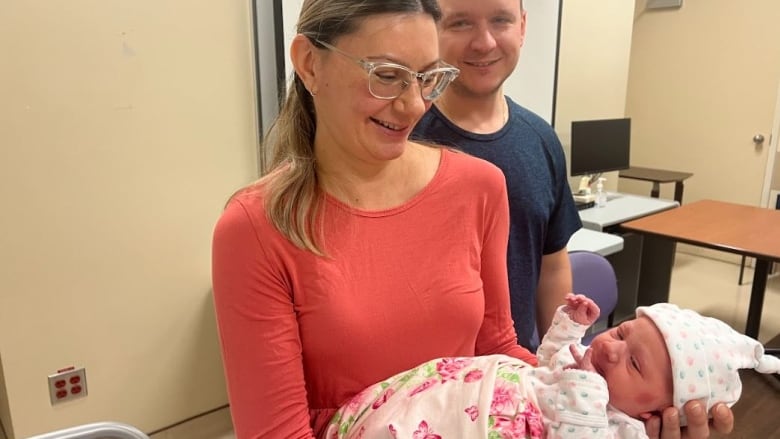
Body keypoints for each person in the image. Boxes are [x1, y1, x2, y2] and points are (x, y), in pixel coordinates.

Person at [211, 1, 539, 437]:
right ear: (310, 64)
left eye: (428, 78)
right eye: (387, 76)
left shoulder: (479, 187)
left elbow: (496, 351)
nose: (414, 105)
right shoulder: (257, 228)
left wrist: (598, 392)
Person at [411, 0, 735, 436]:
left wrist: (569, 363)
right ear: (433, 30)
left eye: (501, 20)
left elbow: (552, 265)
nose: (484, 41)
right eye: (461, 22)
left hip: (522, 384)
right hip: (425, 393)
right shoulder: (404, 135)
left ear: (522, 27)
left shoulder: (540, 140)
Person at [326, 298, 778, 438]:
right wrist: (569, 327)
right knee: (413, 398)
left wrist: (583, 388)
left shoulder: (622, 428)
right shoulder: (590, 367)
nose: (613, 351)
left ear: (654, 411)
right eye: (620, 334)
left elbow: (575, 428)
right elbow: (549, 360)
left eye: (635, 365)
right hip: (474, 386)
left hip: (480, 424)